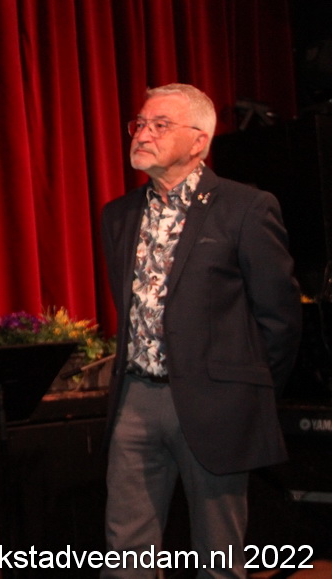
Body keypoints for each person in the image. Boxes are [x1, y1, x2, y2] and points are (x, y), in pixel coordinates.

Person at [100, 83, 301, 578]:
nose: (143, 133)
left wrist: (245, 391)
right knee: (125, 555)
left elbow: (279, 317)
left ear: (199, 141)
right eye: (139, 123)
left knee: (218, 558)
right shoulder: (118, 216)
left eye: (160, 124)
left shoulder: (245, 207)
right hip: (135, 400)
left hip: (218, 403)